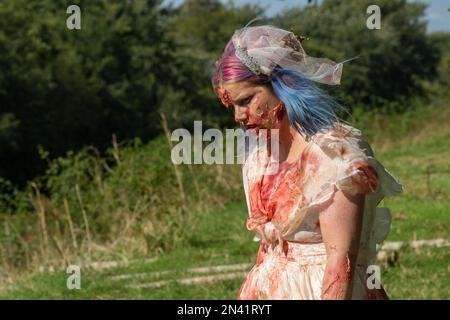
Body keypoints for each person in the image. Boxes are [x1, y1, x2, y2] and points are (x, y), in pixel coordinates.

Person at [211, 21, 404, 300]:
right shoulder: (260, 151)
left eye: (246, 100)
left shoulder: (335, 156)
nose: (239, 116)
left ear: (279, 85)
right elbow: (271, 245)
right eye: (232, 106)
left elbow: (341, 264)